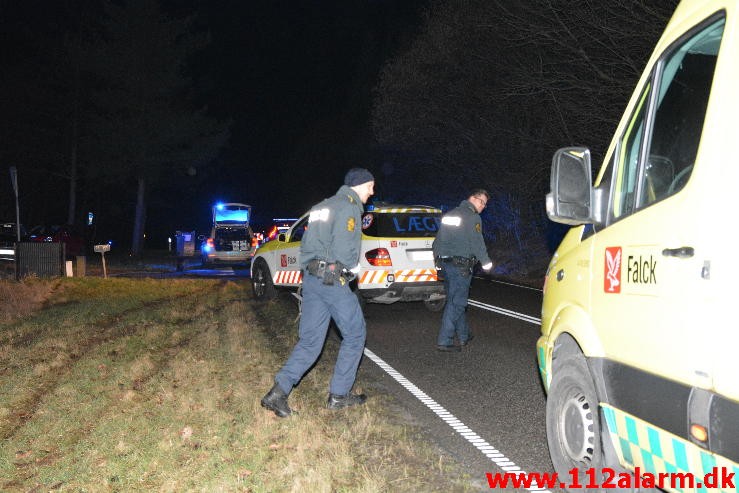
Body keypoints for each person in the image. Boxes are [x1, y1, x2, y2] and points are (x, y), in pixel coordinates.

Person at [261, 168, 375, 417]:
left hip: (312, 278)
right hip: (333, 280)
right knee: (355, 335)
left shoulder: (322, 205)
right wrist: (353, 269)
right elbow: (345, 245)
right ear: (359, 185)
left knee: (311, 341)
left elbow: (307, 243)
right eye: (370, 186)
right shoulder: (349, 206)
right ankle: (339, 395)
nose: (372, 191)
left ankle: (278, 393)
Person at [432, 189, 494, 352]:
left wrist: (437, 261)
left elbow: (437, 241)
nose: (483, 206)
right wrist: (486, 262)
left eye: (485, 204)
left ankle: (464, 334)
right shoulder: (473, 217)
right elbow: (477, 242)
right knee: (457, 303)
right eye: (481, 202)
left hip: (445, 264)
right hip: (460, 266)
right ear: (472, 198)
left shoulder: (450, 214)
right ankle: (444, 341)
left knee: (455, 300)